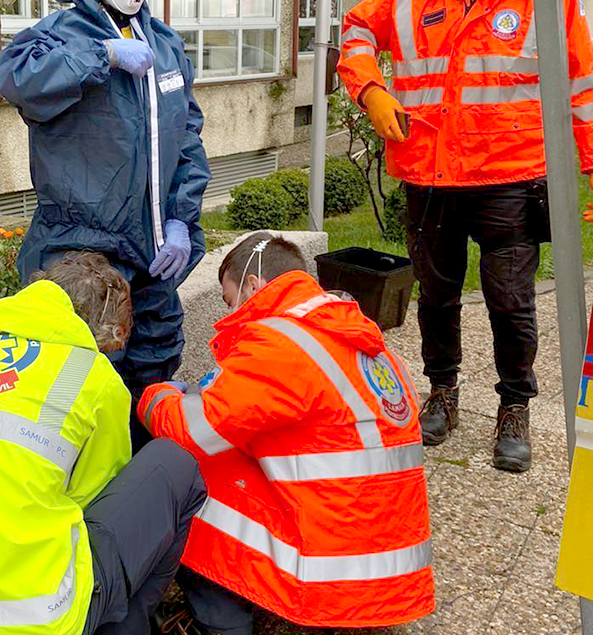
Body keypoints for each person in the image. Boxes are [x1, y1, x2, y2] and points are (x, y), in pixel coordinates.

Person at [338, 0, 593, 472]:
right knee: (437, 296)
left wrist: (587, 168)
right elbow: (356, 31)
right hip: (430, 173)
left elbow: (581, 87)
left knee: (510, 302)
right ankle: (442, 393)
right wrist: (371, 91)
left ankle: (514, 408)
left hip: (511, 174)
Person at [0, 252, 207, 635]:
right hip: (33, 616)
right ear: (103, 326)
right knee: (174, 463)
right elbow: (95, 499)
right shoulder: (93, 376)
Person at [0, 0, 210, 449]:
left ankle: (143, 497)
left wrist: (183, 220)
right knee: (85, 390)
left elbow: (187, 138)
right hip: (80, 250)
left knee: (155, 367)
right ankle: (90, 507)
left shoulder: (163, 45)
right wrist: (102, 57)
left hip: (153, 249)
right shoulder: (60, 34)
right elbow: (17, 80)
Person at [138, 233, 434, 634]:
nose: (230, 311)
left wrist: (154, 394)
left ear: (255, 286)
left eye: (230, 300)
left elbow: (193, 430)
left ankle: (220, 621)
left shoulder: (279, 343)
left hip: (329, 578)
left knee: (183, 474)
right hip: (387, 568)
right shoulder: (356, 336)